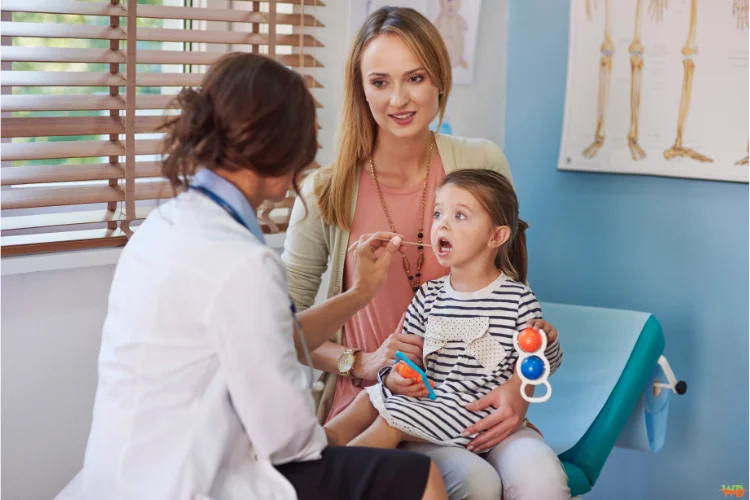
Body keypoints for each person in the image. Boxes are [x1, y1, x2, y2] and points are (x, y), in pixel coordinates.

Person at [56, 52, 448, 500]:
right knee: (419, 478)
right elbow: (290, 440)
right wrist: (378, 417)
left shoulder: (163, 227)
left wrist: (360, 293)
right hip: (191, 483)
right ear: (286, 148)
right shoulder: (242, 262)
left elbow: (273, 334)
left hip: (122, 472)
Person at [282, 6, 563, 499]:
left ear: (439, 79)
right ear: (360, 88)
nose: (399, 99)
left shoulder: (481, 161)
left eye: (415, 77)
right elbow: (281, 332)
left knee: (539, 478)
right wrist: (361, 362)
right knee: (474, 482)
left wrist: (519, 391)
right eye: (380, 82)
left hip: (478, 397)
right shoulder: (325, 192)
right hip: (383, 402)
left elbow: (512, 293)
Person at [324, 169, 571, 499]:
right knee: (377, 400)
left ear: (496, 237)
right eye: (438, 213)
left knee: (544, 480)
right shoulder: (428, 296)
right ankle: (325, 468)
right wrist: (396, 377)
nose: (441, 223)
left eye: (460, 216)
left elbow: (539, 364)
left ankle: (332, 478)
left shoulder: (517, 299)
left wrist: (547, 341)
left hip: (484, 417)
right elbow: (403, 361)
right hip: (437, 408)